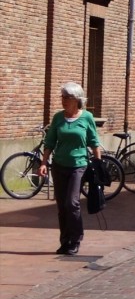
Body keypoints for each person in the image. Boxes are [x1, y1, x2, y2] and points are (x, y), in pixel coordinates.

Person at [38, 82, 103, 256]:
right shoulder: (58, 117)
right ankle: (65, 241)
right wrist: (44, 163)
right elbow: (50, 142)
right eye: (62, 97)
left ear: (77, 99)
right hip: (59, 166)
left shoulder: (87, 117)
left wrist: (98, 164)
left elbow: (94, 141)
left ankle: (76, 239)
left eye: (67, 97)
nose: (64, 100)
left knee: (72, 203)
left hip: (78, 165)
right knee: (61, 206)